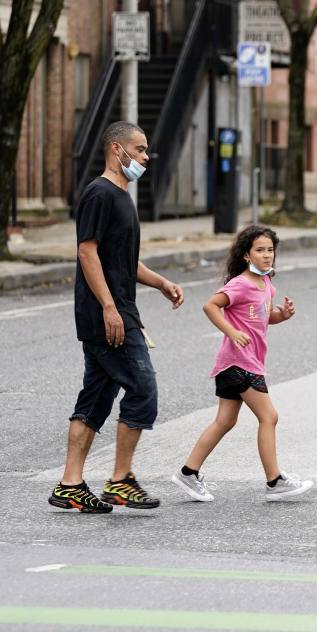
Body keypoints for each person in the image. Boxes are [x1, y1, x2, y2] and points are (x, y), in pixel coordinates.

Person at [48, 121, 185, 513]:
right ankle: (120, 481)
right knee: (143, 390)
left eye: (145, 151)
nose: (145, 158)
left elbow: (120, 258)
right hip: (108, 314)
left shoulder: (122, 195)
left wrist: (160, 283)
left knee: (96, 398)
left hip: (117, 310)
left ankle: (70, 485)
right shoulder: (100, 194)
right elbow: (87, 252)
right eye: (139, 150)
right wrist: (110, 308)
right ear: (116, 150)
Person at [171, 225, 313, 502]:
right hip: (239, 363)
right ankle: (275, 481)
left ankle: (188, 473)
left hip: (241, 363)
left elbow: (264, 315)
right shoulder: (240, 283)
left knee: (224, 421)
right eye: (259, 250)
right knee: (269, 416)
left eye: (270, 250)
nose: (266, 255)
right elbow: (210, 305)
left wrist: (281, 316)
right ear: (246, 255)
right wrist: (231, 332)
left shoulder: (266, 284)